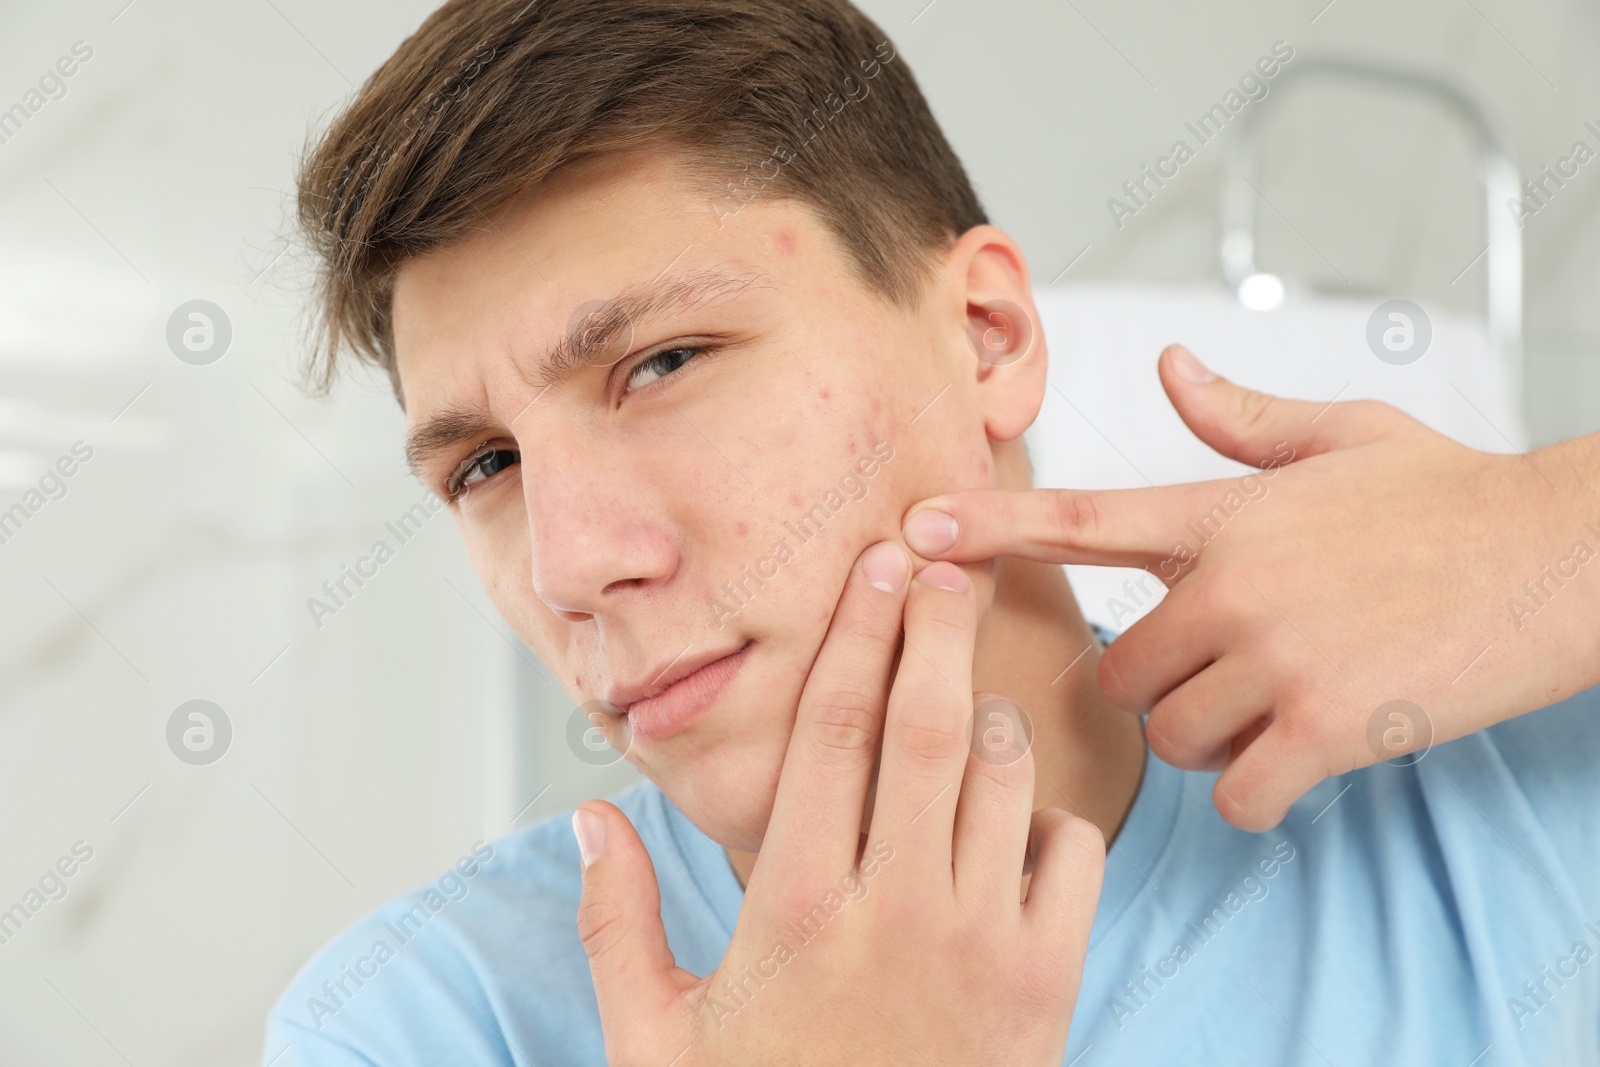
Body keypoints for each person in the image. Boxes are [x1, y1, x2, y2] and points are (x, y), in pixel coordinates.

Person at [265, 0, 1600, 1063]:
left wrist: (1541, 522)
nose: (570, 566)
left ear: (986, 338)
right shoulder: (412, 1027)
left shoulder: (1513, 794)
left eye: (663, 363)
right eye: (485, 465)